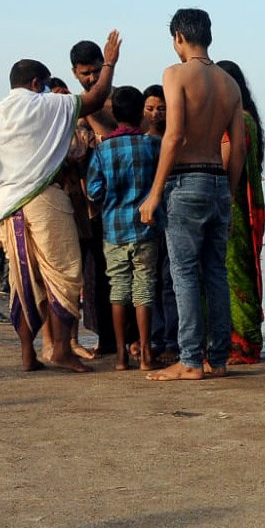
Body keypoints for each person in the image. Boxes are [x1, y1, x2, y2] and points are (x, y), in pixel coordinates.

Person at [0, 32, 121, 372]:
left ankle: (28, 353)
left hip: (10, 208)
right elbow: (94, 100)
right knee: (65, 276)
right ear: (37, 82)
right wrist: (110, 61)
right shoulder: (45, 103)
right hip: (46, 200)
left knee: (25, 280)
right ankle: (62, 350)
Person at [138, 8, 246, 381]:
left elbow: (175, 135)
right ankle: (216, 359)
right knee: (215, 273)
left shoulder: (176, 73)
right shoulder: (230, 84)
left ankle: (188, 360)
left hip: (186, 180)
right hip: (218, 179)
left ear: (179, 38)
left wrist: (154, 193)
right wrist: (228, 194)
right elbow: (240, 146)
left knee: (184, 273)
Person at [86, 85, 162, 371]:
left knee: (118, 290)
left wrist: (111, 201)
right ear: (141, 112)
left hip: (114, 229)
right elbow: (162, 183)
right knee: (144, 289)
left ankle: (120, 356)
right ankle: (145, 354)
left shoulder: (104, 150)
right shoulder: (152, 145)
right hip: (146, 228)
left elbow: (94, 190)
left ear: (115, 114)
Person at [69, 39, 118, 357]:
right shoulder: (74, 108)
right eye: (86, 74)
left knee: (113, 273)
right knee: (90, 275)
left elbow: (122, 134)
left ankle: (121, 338)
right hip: (85, 206)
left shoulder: (116, 100)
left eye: (96, 71)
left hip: (114, 204)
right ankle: (102, 338)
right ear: (75, 72)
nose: (91, 78)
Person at [216, 60, 265, 365]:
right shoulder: (241, 120)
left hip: (236, 208)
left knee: (237, 275)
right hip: (233, 206)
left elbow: (224, 165)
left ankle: (246, 343)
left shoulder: (240, 122)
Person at [142, 83, 177, 362]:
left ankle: (170, 341)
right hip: (146, 223)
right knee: (150, 282)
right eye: (150, 108)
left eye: (161, 108)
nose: (156, 114)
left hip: (171, 220)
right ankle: (153, 339)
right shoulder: (140, 143)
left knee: (169, 281)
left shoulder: (175, 142)